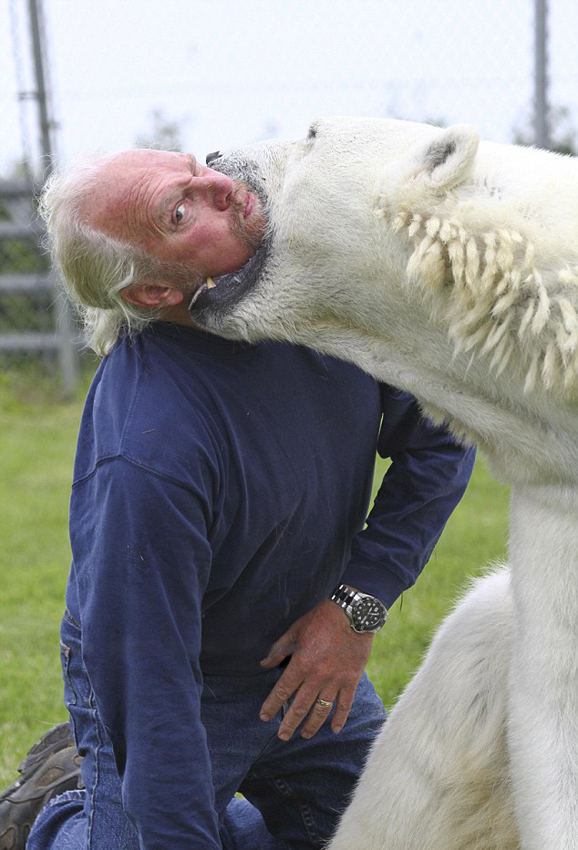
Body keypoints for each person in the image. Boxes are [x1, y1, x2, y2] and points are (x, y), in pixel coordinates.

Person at [0, 149, 475, 850]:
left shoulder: (325, 301)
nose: (222, 186)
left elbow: (443, 437)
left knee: (419, 834)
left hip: (310, 652)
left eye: (193, 169)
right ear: (153, 292)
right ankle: (54, 812)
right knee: (166, 831)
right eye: (180, 210)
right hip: (174, 679)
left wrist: (354, 608)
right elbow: (151, 682)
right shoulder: (149, 453)